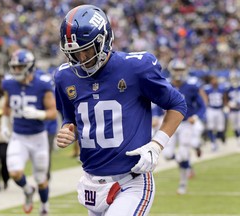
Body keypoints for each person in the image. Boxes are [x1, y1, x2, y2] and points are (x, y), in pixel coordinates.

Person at [55, 5, 187, 216]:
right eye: (74, 53)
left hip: (130, 181)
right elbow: (71, 118)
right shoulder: (64, 77)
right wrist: (67, 130)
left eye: (85, 50)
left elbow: (177, 104)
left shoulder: (136, 68)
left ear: (103, 40)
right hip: (92, 183)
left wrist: (157, 144)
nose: (80, 59)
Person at [1, 49, 57, 216]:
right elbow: (6, 106)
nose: (16, 70)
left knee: (41, 179)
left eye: (20, 67)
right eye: (14, 67)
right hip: (19, 135)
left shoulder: (43, 84)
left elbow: (53, 112)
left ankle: (44, 206)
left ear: (29, 67)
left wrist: (39, 114)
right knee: (14, 172)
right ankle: (27, 190)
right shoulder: (9, 84)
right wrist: (5, 125)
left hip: (38, 137)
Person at [163, 58, 206, 194]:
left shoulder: (191, 87)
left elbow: (202, 105)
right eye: (176, 70)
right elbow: (157, 103)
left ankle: (182, 184)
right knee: (168, 155)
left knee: (182, 154)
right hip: (170, 123)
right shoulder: (165, 86)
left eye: (181, 70)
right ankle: (188, 165)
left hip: (186, 123)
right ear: (171, 70)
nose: (179, 73)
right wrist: (157, 116)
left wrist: (196, 116)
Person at [202, 75, 228, 151]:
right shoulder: (207, 89)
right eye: (213, 80)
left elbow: (224, 97)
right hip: (211, 109)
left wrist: (226, 106)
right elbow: (204, 97)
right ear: (210, 81)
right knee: (210, 127)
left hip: (219, 109)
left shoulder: (221, 88)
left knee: (221, 129)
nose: (215, 81)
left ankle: (216, 139)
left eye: (215, 79)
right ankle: (213, 143)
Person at [226, 71, 240, 146]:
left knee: (239, 125)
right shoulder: (228, 89)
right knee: (235, 126)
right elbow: (226, 99)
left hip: (239, 110)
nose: (234, 80)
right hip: (232, 110)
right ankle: (237, 138)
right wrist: (228, 104)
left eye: (235, 78)